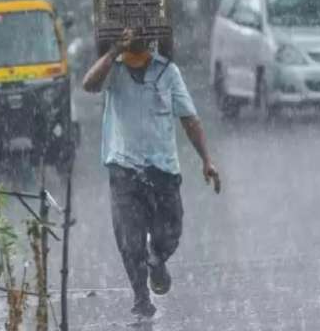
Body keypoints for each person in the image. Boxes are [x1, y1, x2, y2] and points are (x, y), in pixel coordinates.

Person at [82, 28, 221, 318]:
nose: (134, 37)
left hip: (163, 170)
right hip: (124, 169)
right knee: (129, 241)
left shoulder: (168, 72)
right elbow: (89, 85)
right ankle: (141, 298)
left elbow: (190, 119)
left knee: (170, 232)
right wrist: (112, 52)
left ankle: (157, 259)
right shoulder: (114, 70)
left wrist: (206, 160)